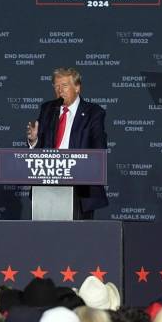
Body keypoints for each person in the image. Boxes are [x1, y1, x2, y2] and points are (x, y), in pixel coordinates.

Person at [25, 67, 108, 217]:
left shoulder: (94, 113)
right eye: (56, 86)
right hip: (48, 180)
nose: (59, 90)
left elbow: (99, 149)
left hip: (80, 186)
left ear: (77, 87)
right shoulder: (48, 109)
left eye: (64, 86)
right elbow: (39, 148)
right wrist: (34, 140)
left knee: (78, 236)